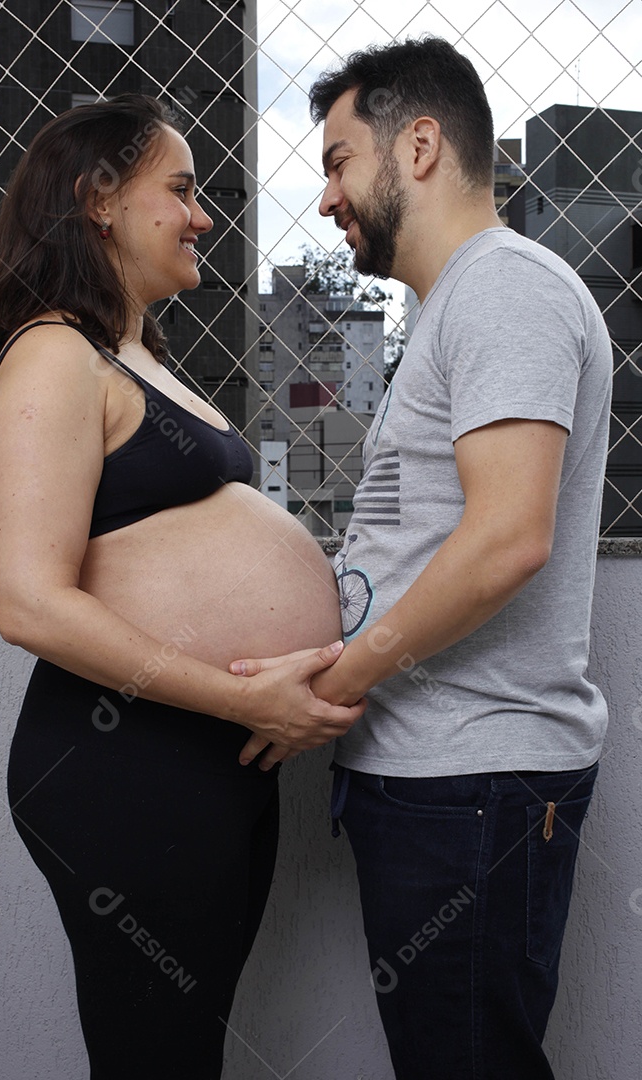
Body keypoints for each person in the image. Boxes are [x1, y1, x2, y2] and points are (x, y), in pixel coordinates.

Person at [233, 37, 612, 1080]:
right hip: (444, 781)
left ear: (421, 144)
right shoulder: (458, 305)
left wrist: (330, 688)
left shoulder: (504, 291)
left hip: (474, 782)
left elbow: (505, 540)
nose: (325, 199)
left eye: (339, 161)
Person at [0, 94, 365, 1079]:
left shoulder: (133, 353)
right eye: (181, 191)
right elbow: (28, 602)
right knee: (157, 1051)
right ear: (99, 200)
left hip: (203, 761)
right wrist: (245, 696)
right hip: (126, 767)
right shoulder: (53, 354)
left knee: (184, 1047)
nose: (204, 215)